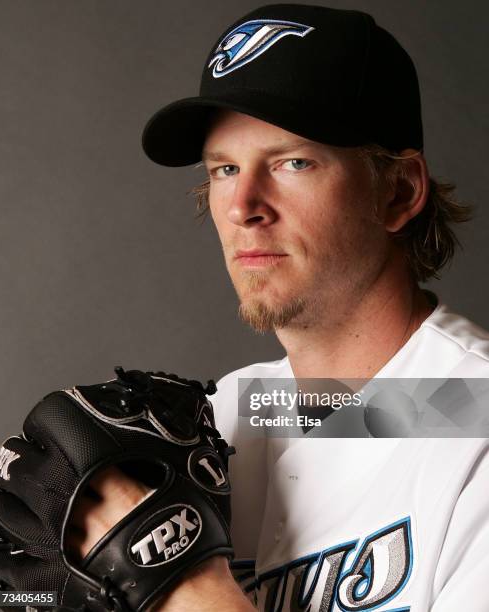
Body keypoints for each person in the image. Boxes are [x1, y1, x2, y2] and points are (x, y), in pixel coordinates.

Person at [69, 4, 489, 611]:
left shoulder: (471, 414)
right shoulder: (230, 417)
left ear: (399, 190)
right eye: (224, 169)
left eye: (293, 162)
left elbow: (432, 411)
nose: (243, 205)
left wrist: (173, 578)